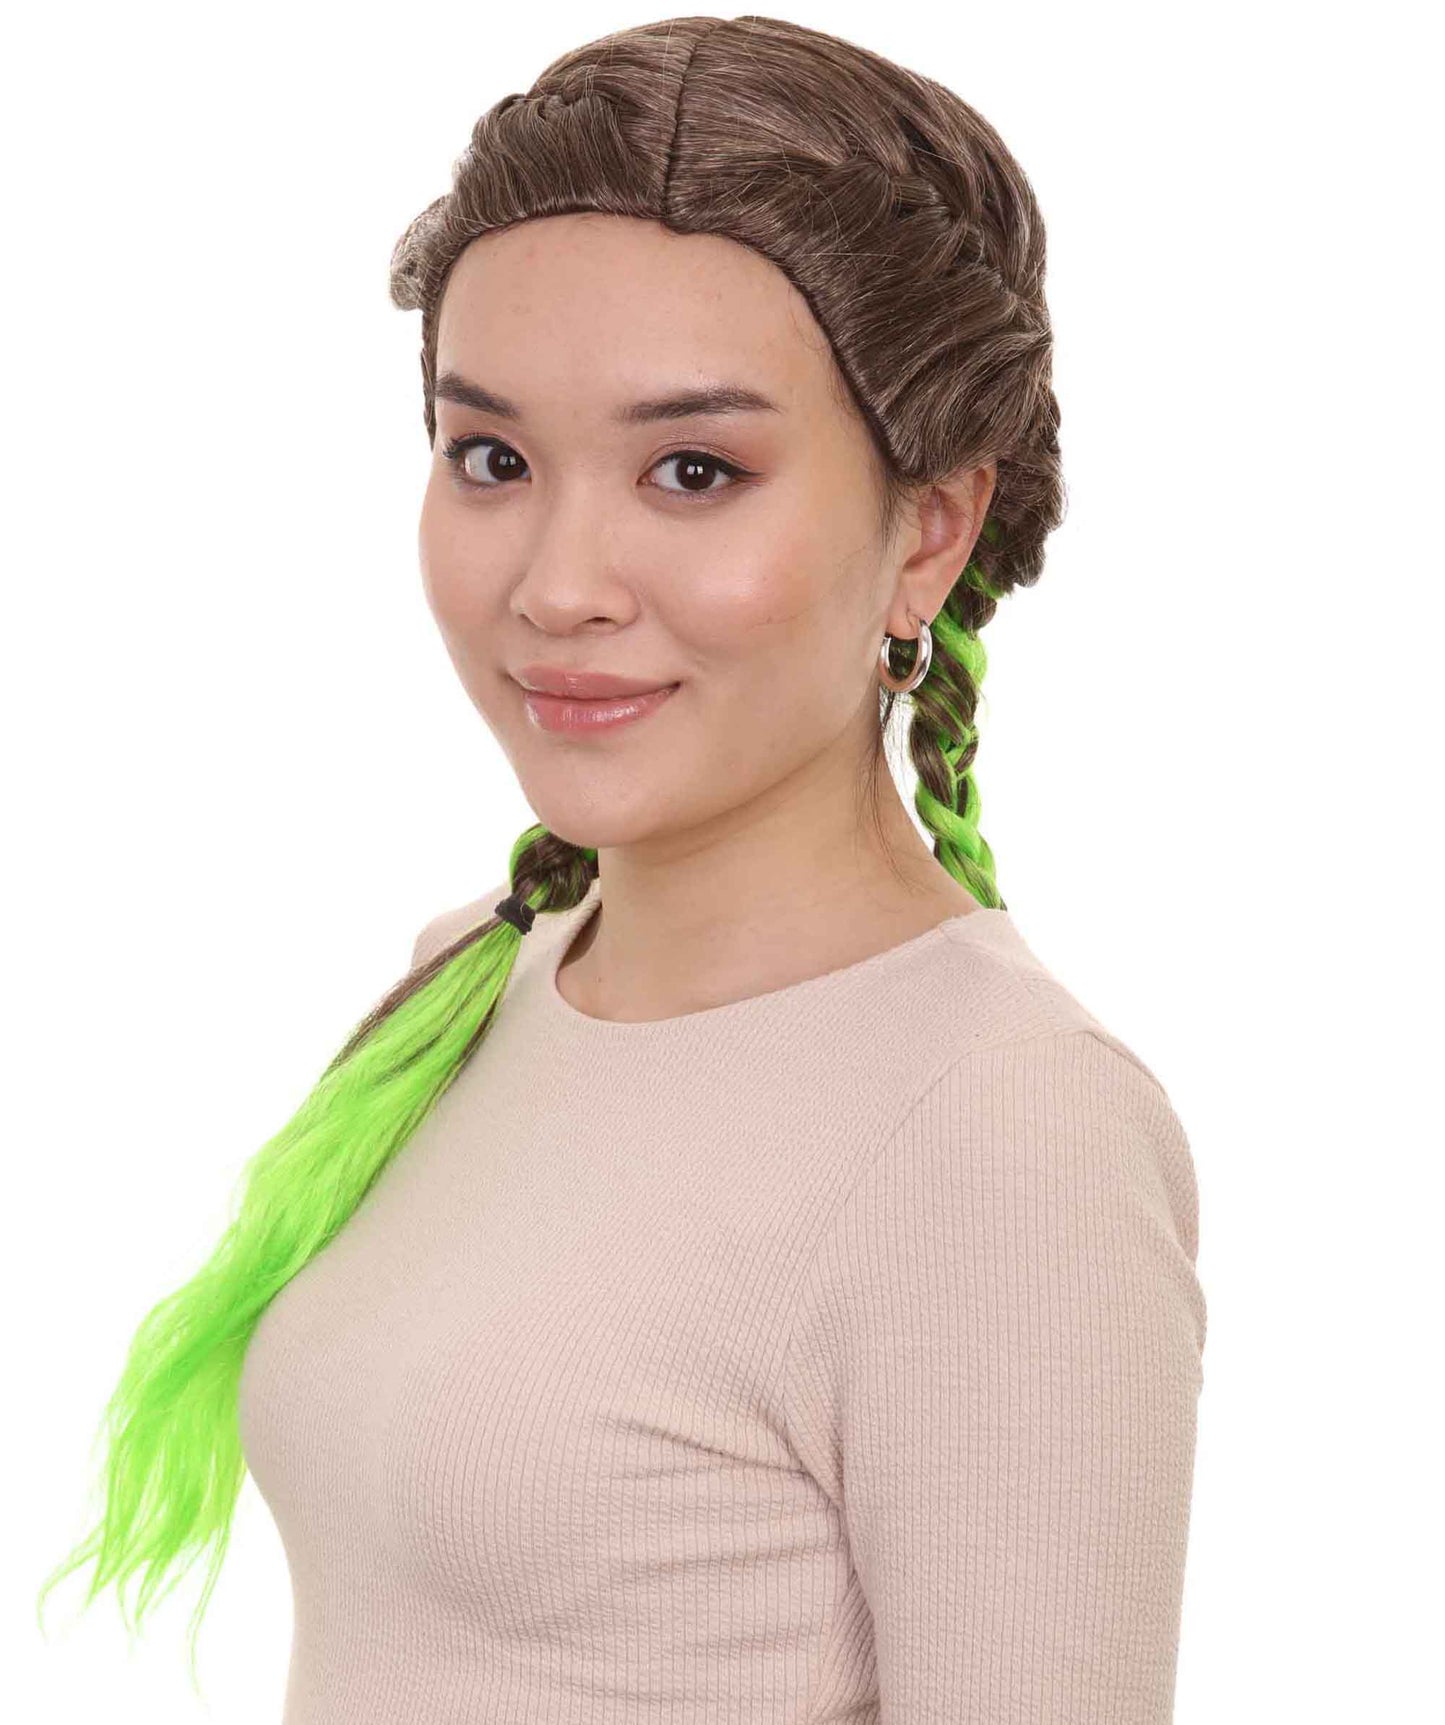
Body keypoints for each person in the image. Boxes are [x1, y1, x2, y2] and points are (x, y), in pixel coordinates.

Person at [38, 15, 1207, 1722]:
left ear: (930, 529)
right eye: (492, 458)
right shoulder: (474, 973)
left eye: (692, 470)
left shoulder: (997, 1125)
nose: (557, 583)